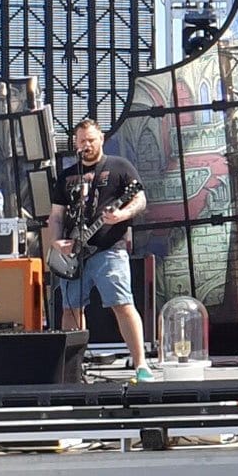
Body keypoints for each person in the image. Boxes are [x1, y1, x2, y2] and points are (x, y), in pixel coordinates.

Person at [45, 118, 151, 380]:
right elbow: (56, 216)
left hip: (110, 250)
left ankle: (141, 365)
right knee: (71, 309)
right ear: (75, 144)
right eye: (82, 141)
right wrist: (56, 241)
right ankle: (72, 370)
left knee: (122, 304)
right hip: (75, 254)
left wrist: (122, 215)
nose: (87, 145)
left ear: (101, 139)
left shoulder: (119, 167)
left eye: (91, 139)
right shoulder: (67, 176)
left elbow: (140, 199)